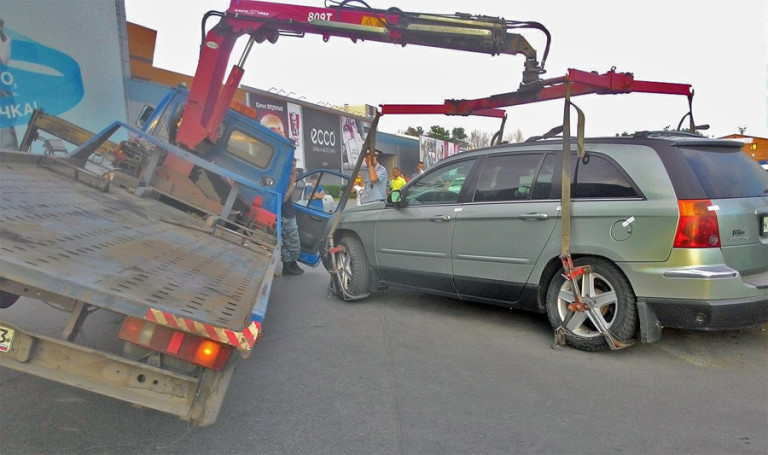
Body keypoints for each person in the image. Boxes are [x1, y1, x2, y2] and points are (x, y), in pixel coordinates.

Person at [281, 158, 303, 276]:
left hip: (290, 214)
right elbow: (284, 198)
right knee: (290, 243)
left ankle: (292, 264)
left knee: (293, 244)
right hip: (286, 217)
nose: (294, 168)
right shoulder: (284, 179)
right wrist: (292, 183)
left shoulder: (288, 178)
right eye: (292, 165)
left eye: (295, 166)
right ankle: (287, 267)